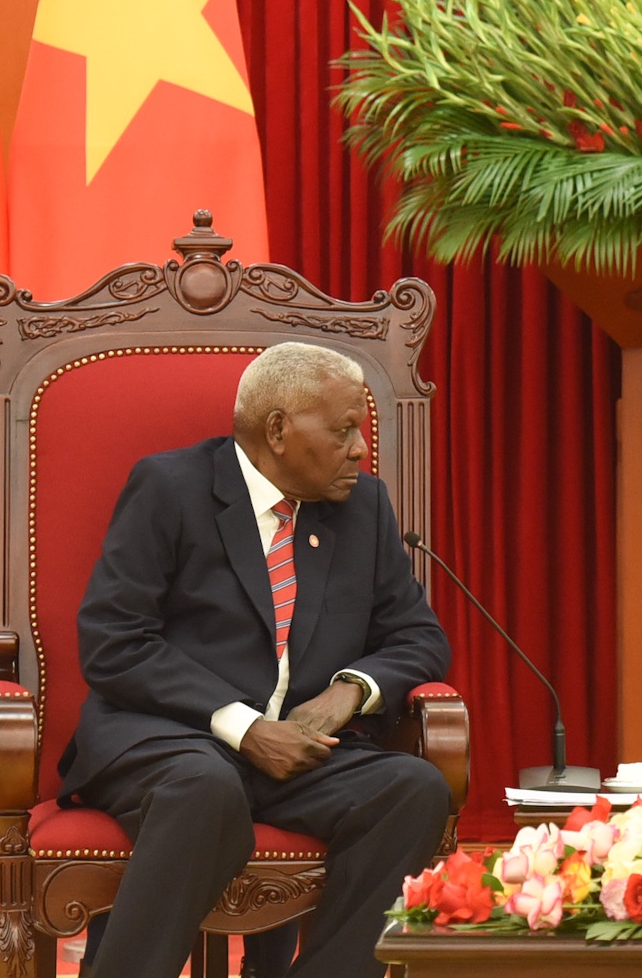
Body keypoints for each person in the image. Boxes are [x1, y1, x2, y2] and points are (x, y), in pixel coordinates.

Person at [60, 341, 452, 978]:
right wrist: (244, 728)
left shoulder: (362, 506)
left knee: (411, 788)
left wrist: (350, 690)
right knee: (204, 789)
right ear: (278, 429)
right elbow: (114, 640)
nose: (359, 448)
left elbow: (419, 637)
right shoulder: (171, 487)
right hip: (174, 738)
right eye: (343, 428)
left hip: (300, 751)